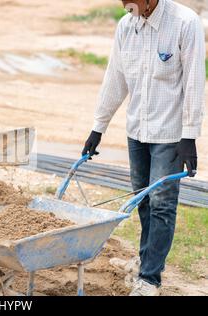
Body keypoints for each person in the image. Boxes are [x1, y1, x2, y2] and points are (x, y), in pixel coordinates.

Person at [82, 0, 205, 296]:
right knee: (143, 200)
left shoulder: (185, 23)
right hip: (136, 131)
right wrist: (98, 127)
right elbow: (116, 78)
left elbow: (194, 81)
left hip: (170, 134)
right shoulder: (126, 26)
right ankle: (148, 261)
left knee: (162, 203)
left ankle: (150, 279)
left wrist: (189, 135)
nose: (126, 4)